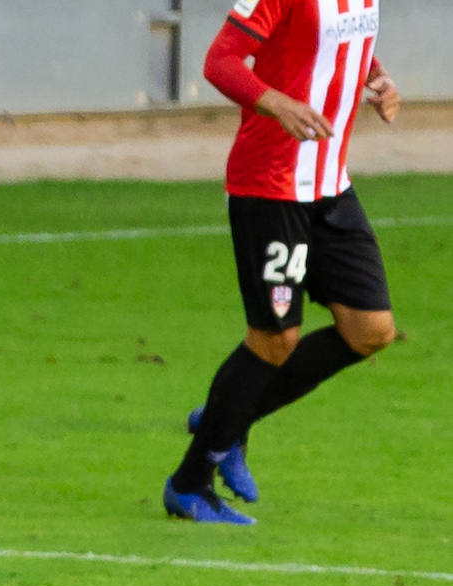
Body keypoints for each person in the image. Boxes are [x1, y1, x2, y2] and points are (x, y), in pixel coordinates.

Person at [163, 0, 400, 525]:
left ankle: (225, 419)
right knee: (274, 339)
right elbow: (220, 61)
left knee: (370, 329)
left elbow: (329, 38)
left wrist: (377, 75)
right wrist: (276, 102)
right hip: (270, 185)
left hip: (330, 186)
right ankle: (189, 483)